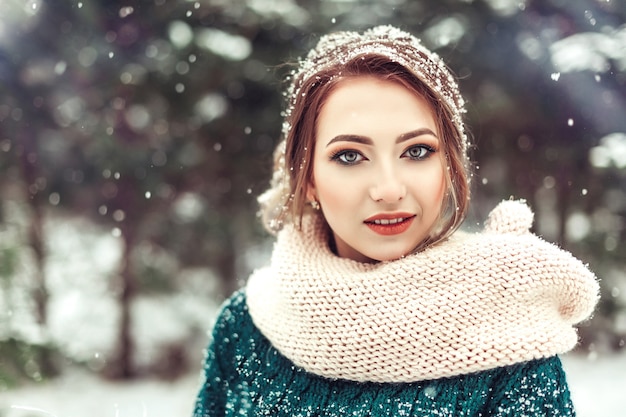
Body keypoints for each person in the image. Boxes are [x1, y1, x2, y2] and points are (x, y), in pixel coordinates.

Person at [192, 25, 599, 416]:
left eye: (417, 151)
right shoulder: (245, 328)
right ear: (308, 178)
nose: (388, 189)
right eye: (349, 156)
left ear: (450, 165)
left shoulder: (509, 330)